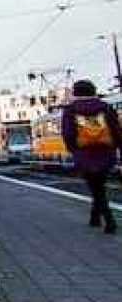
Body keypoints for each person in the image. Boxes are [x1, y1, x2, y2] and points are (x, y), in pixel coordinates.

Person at [61, 80, 122, 235]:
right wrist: (116, 147)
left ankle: (109, 221)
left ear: (75, 93)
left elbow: (68, 134)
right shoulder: (106, 107)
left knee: (96, 188)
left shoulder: (70, 110)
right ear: (93, 91)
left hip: (84, 154)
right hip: (106, 151)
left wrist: (74, 150)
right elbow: (116, 130)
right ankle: (95, 217)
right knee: (99, 185)